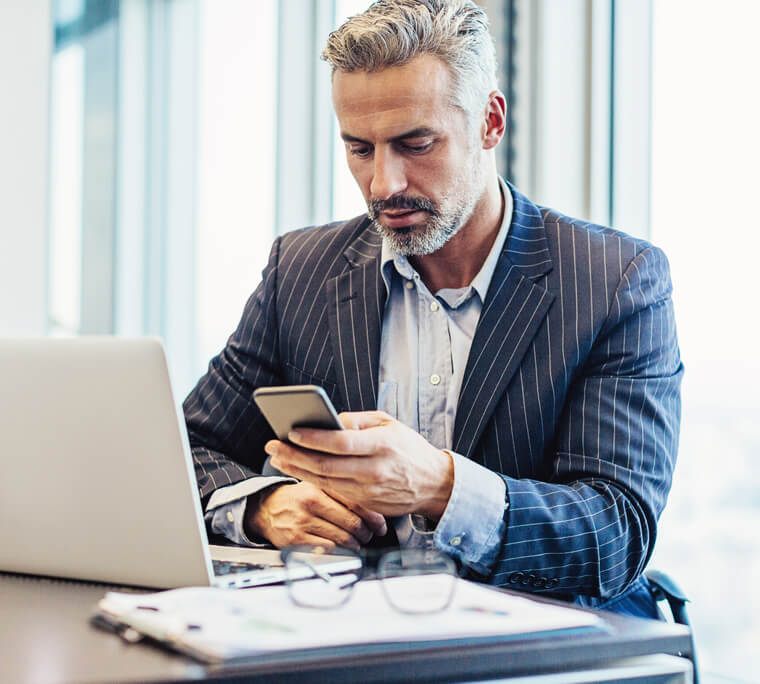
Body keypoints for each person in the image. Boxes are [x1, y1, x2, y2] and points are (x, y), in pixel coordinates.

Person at [183, 0, 683, 618]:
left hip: (542, 647)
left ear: (490, 122)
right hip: (350, 637)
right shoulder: (301, 270)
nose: (382, 185)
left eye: (415, 144)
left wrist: (439, 486)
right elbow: (186, 447)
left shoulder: (613, 281)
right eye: (359, 149)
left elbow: (617, 532)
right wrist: (262, 506)